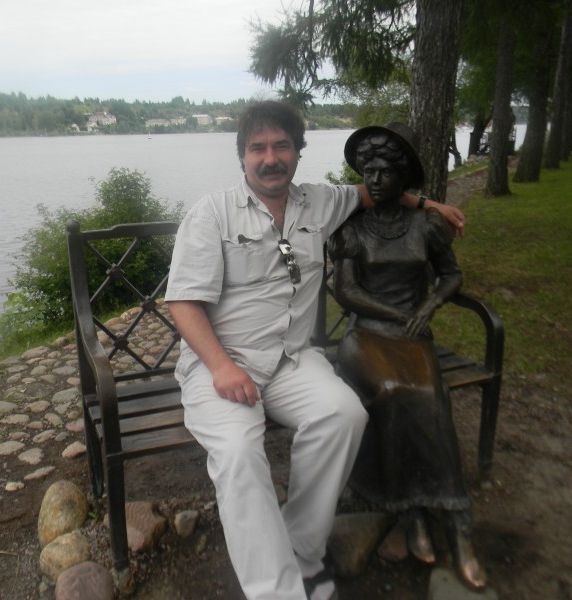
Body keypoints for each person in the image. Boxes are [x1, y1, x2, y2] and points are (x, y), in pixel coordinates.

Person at [164, 100, 465, 600]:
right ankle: (277, 591)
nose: (270, 158)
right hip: (223, 365)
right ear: (242, 156)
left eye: (281, 145)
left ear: (298, 152)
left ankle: (302, 549)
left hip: (291, 361)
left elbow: (373, 193)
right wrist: (220, 367)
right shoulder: (212, 213)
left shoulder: (318, 202)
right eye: (258, 148)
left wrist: (429, 205)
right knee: (239, 453)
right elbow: (183, 302)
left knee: (344, 415)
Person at [328, 123, 486, 589]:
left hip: (414, 336)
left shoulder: (426, 226)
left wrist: (430, 304)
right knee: (395, 390)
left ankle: (456, 523)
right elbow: (346, 292)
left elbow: (451, 275)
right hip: (366, 336)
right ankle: (410, 510)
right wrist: (399, 313)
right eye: (368, 172)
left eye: (384, 172)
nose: (374, 180)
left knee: (431, 395)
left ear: (403, 178)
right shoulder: (352, 228)